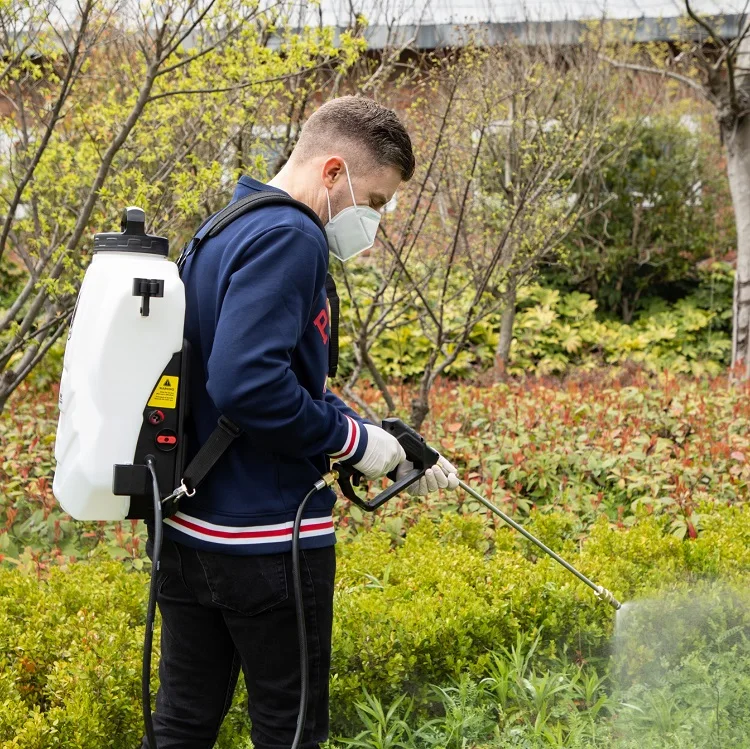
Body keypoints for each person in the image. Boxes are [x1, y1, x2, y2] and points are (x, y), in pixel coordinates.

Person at [142, 96, 459, 749]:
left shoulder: (226, 226)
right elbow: (248, 385)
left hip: (190, 529)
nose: (372, 221)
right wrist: (352, 441)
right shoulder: (292, 235)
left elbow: (271, 379)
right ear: (334, 170)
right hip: (267, 541)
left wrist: (386, 443)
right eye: (373, 200)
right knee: (289, 733)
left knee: (182, 723)